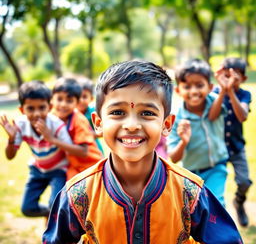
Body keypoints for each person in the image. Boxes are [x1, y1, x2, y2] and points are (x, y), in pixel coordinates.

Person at [43, 60, 243, 244]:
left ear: (166, 124)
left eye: (147, 113)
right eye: (118, 112)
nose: (131, 125)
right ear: (98, 123)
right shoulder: (78, 194)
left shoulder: (190, 193)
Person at [0, 81, 84, 218]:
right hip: (37, 171)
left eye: (41, 108)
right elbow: (10, 156)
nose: (37, 113)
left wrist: (51, 138)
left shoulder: (56, 125)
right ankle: (53, 213)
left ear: (49, 107)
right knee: (27, 208)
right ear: (22, 110)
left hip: (58, 170)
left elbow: (72, 150)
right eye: (30, 109)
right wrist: (11, 139)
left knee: (55, 204)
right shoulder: (20, 125)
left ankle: (57, 214)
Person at [167, 59, 229, 206]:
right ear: (178, 90)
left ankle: (219, 229)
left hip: (216, 167)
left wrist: (224, 91)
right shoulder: (176, 118)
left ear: (210, 87)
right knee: (194, 210)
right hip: (190, 174)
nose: (194, 91)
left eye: (200, 85)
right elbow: (174, 158)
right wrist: (183, 141)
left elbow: (213, 115)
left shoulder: (215, 101)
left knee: (217, 205)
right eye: (187, 86)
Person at [213, 57, 252, 227]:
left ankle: (239, 202)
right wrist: (223, 90)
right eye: (228, 74)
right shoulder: (215, 92)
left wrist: (230, 91)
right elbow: (211, 115)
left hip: (237, 148)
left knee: (244, 181)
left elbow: (242, 116)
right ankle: (215, 216)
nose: (232, 78)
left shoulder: (244, 94)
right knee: (213, 184)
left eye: (237, 75)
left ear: (243, 78)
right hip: (217, 148)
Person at [51, 77, 103, 180]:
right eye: (59, 99)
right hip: (73, 165)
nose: (63, 104)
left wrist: (52, 140)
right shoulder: (53, 116)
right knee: (68, 194)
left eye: (69, 101)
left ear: (76, 102)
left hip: (91, 166)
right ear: (52, 99)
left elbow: (84, 151)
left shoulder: (79, 119)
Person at [76, 77, 105, 155]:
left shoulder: (93, 112)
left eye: (84, 97)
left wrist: (90, 135)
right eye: (78, 97)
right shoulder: (70, 114)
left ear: (91, 98)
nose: (81, 100)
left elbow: (104, 131)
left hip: (95, 149)